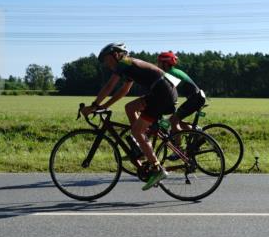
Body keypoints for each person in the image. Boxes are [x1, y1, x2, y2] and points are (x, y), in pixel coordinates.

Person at [81, 43, 175, 190]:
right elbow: (124, 90)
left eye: (107, 59)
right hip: (161, 91)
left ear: (116, 54)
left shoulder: (124, 63)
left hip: (162, 94)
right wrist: (104, 106)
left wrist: (94, 105)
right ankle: (141, 146)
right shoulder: (129, 66)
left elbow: (109, 86)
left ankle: (157, 169)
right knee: (130, 108)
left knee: (137, 131)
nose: (106, 64)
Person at [156, 51, 206, 133]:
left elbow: (167, 92)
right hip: (197, 97)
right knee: (175, 120)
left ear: (165, 63)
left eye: (159, 62)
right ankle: (197, 132)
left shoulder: (169, 74)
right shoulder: (174, 71)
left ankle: (177, 145)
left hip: (195, 99)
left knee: (173, 121)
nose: (157, 64)